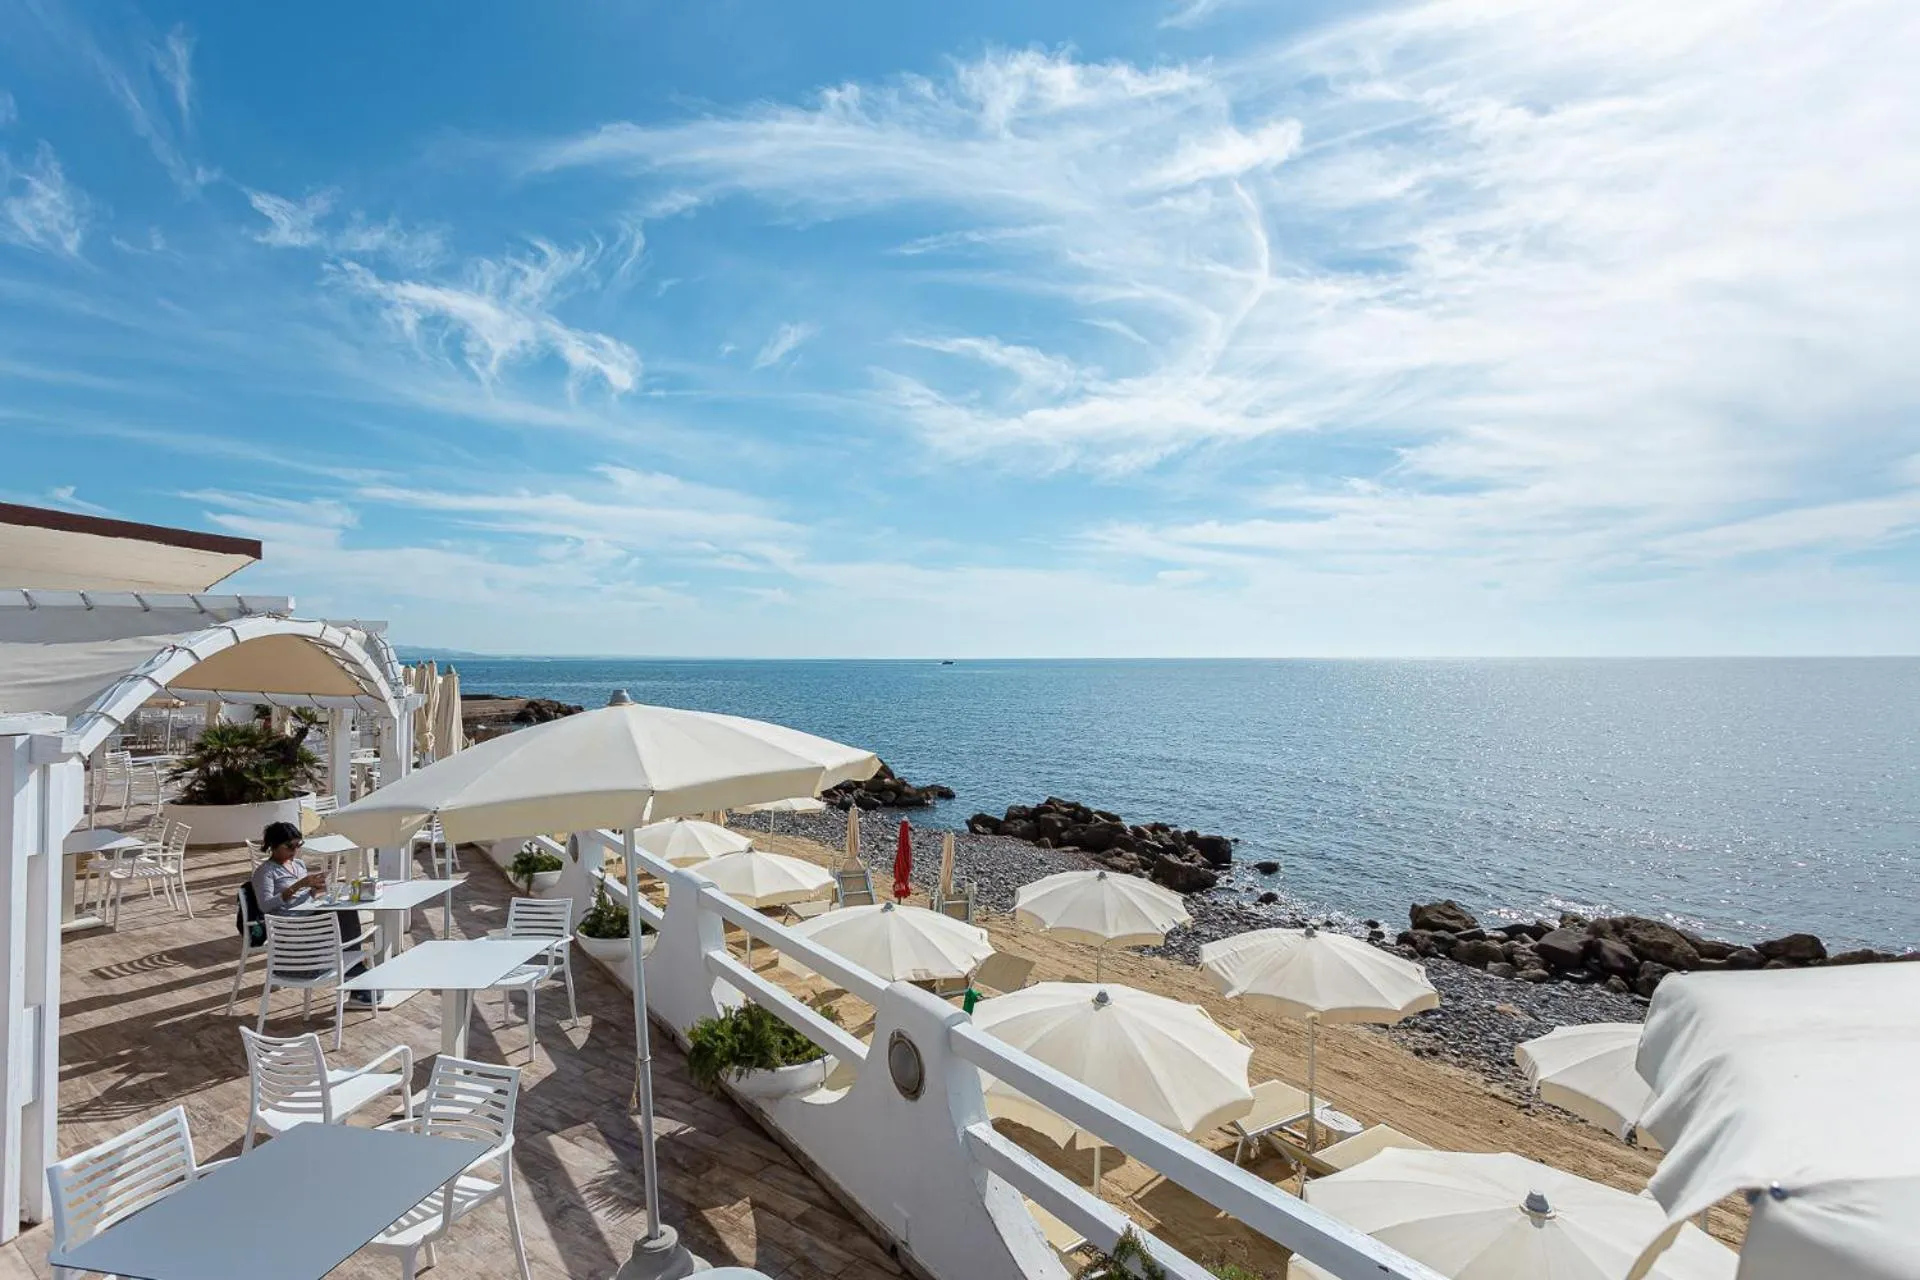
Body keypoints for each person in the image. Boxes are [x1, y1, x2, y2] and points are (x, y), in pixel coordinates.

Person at [252, 821, 377, 1005]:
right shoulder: (265, 872)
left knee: (346, 910)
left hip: (308, 915)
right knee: (343, 915)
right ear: (273, 845)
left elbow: (304, 897)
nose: (294, 851)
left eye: (298, 845)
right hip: (290, 925)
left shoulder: (298, 865)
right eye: (289, 846)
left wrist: (314, 889)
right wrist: (299, 885)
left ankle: (354, 969)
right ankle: (355, 971)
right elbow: (265, 906)